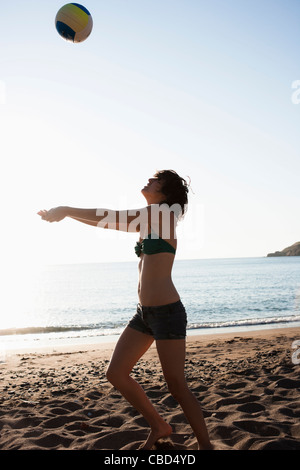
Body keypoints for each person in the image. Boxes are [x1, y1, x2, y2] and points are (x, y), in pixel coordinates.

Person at [38, 169, 213, 450]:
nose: (149, 181)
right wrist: (66, 214)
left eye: (156, 180)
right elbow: (107, 221)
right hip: (144, 314)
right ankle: (159, 425)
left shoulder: (163, 215)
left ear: (166, 193)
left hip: (167, 312)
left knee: (177, 387)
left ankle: (206, 446)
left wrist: (67, 209)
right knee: (116, 373)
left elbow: (110, 216)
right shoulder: (149, 221)